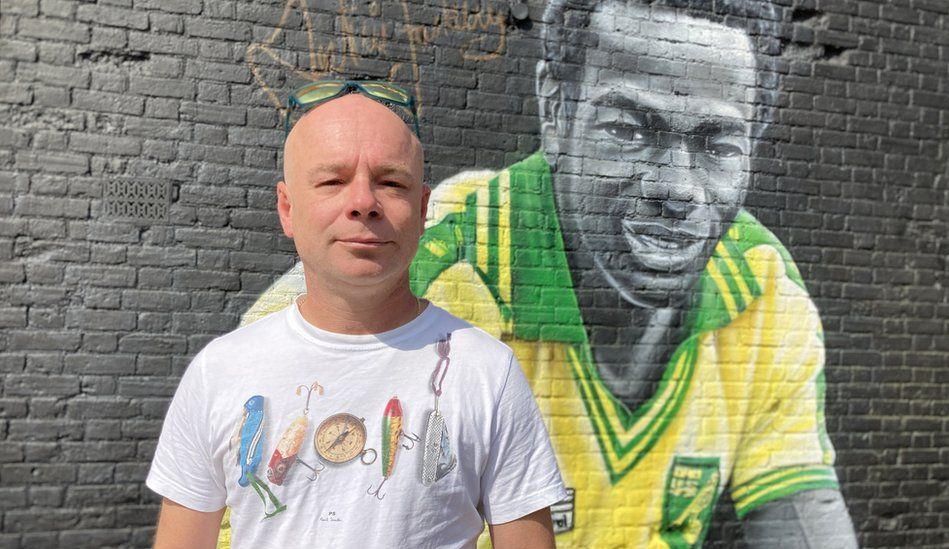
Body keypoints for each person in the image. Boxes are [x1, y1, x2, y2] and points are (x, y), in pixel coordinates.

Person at [244, 1, 859, 547]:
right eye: (627, 130)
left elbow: (801, 514)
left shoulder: (760, 291)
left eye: (718, 144)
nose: (676, 187)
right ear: (556, 109)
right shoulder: (432, 272)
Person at [146, 81, 566, 549]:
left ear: (423, 209)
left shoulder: (489, 372)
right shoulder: (220, 370)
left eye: (391, 182)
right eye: (332, 181)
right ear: (287, 208)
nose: (363, 202)